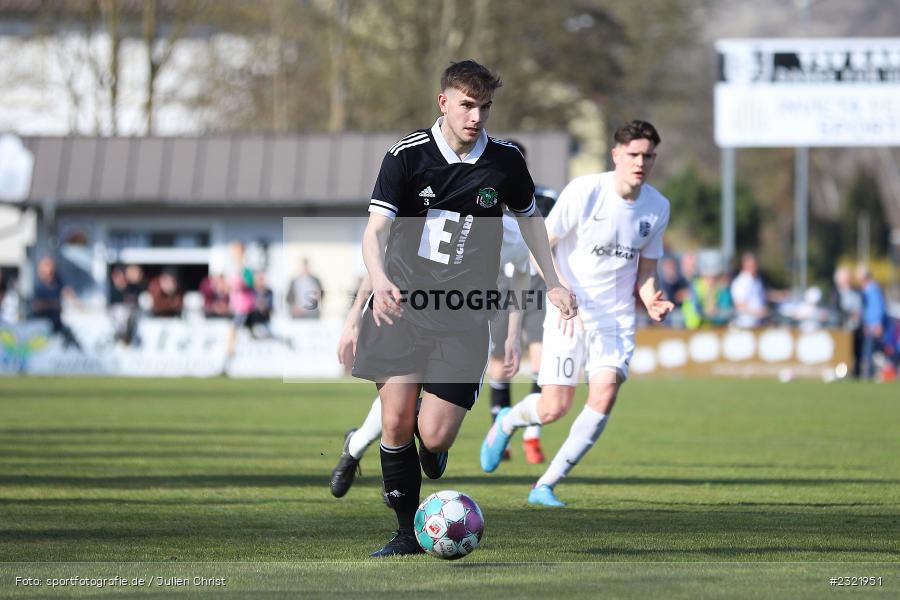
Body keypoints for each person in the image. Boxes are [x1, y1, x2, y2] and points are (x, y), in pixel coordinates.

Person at [350, 59, 576, 556]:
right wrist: (381, 280)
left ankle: (431, 454)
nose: (476, 116)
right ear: (444, 102)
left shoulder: (506, 161)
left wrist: (553, 282)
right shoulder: (405, 157)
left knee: (431, 436)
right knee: (395, 421)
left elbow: (531, 222)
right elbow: (375, 231)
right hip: (401, 309)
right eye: (467, 105)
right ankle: (406, 533)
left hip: (465, 316)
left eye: (485, 107)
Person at [479, 120, 672, 508]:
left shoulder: (657, 207)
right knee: (553, 408)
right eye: (633, 154)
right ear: (616, 154)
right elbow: (539, 245)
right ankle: (508, 421)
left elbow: (646, 272)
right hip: (569, 313)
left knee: (605, 392)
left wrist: (651, 299)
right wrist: (559, 288)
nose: (640, 162)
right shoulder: (585, 192)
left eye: (648, 156)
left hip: (615, 321)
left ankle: (546, 484)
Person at [330, 211, 534, 500]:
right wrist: (354, 316)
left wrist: (513, 333)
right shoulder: (431, 209)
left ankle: (411, 436)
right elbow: (384, 261)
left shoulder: (512, 232)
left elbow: (522, 273)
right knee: (397, 410)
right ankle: (360, 452)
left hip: (463, 333)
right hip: (409, 321)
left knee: (431, 433)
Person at [29, 256, 82, 350]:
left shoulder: (58, 283)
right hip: (41, 326)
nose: (51, 274)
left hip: (56, 324)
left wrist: (77, 303)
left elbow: (68, 293)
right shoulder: (38, 286)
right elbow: (36, 305)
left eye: (52, 271)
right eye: (49, 272)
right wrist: (55, 304)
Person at [830, 265, 863, 378]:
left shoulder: (857, 291)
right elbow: (835, 310)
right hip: (843, 328)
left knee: (857, 353)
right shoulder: (836, 292)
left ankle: (856, 374)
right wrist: (849, 314)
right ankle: (841, 374)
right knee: (842, 353)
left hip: (857, 327)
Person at [856, 264, 887, 380]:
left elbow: (878, 307)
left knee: (871, 351)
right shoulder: (866, 289)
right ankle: (870, 373)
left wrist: (877, 323)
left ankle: (871, 374)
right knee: (868, 350)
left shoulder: (873, 289)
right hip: (869, 324)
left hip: (873, 325)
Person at [730, 252, 768, 328]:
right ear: (744, 265)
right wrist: (757, 312)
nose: (754, 267)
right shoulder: (740, 282)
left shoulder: (757, 280)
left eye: (754, 265)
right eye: (751, 265)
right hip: (746, 324)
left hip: (759, 322)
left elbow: (761, 296)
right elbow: (739, 304)